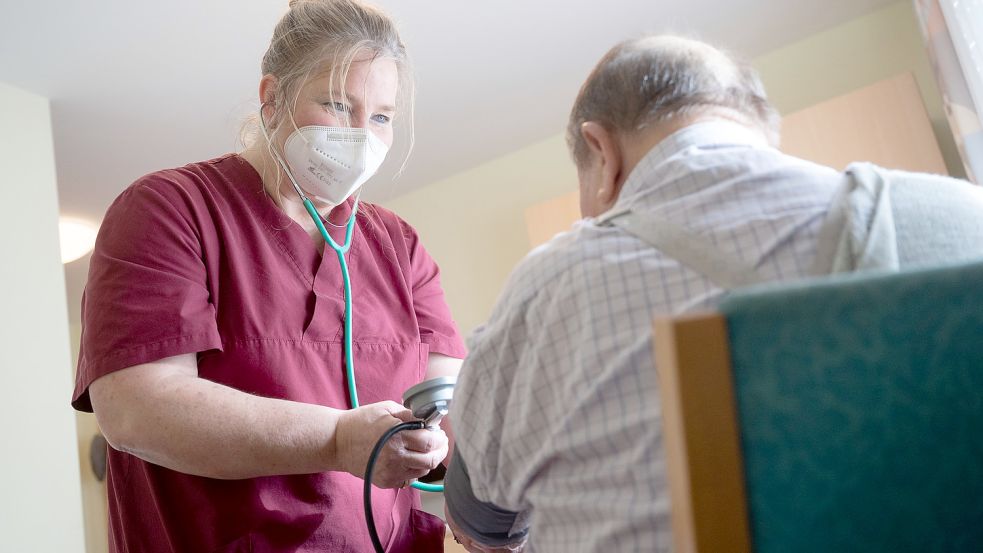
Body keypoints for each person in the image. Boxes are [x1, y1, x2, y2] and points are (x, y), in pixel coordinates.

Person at [443, 35, 983, 552]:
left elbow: (481, 520)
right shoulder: (964, 217)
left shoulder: (547, 288)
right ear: (760, 128)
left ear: (601, 152)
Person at [71, 1, 467, 551]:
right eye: (336, 105)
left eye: (380, 117)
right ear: (271, 98)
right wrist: (338, 440)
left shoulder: (399, 246)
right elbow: (136, 408)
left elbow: (451, 412)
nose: (361, 137)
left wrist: (488, 513)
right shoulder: (168, 210)